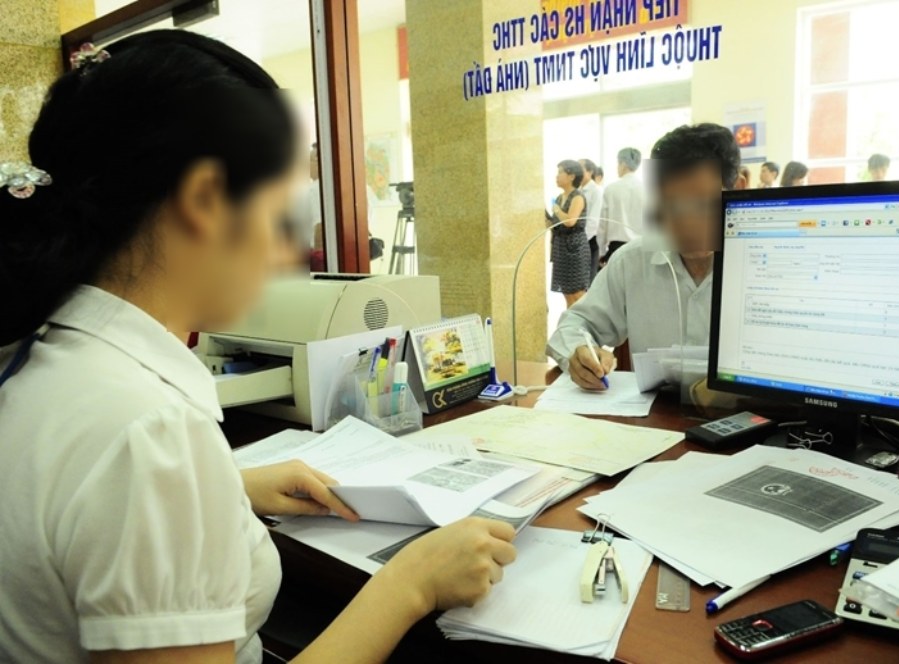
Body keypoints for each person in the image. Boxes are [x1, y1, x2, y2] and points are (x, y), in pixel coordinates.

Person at [0, 31, 516, 664]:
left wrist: (226, 487)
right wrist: (412, 583)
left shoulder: (35, 354)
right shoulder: (151, 435)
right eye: (279, 214)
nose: (283, 250)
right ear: (205, 200)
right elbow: (124, 464)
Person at [547, 123, 741, 390]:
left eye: (699, 202)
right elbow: (576, 323)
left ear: (737, 188)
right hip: (656, 413)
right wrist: (580, 351)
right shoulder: (633, 261)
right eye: (670, 203)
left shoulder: (772, 264)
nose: (685, 221)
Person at [548, 160, 590, 307]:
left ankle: (585, 320)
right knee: (567, 292)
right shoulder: (560, 198)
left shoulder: (577, 196)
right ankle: (572, 320)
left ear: (572, 176)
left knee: (577, 292)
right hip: (560, 248)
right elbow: (555, 224)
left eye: (560, 172)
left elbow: (570, 221)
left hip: (574, 248)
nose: (556, 176)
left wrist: (556, 209)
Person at [597, 147, 644, 263]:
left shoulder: (611, 189)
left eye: (618, 164)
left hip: (617, 249)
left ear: (623, 164)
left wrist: (601, 252)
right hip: (642, 249)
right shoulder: (648, 189)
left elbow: (603, 224)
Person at [578, 158, 604, 285]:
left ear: (590, 171)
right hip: (578, 241)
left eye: (580, 168)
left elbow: (593, 221)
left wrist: (581, 240)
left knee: (588, 282)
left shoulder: (596, 191)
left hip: (588, 241)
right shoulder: (578, 190)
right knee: (578, 283)